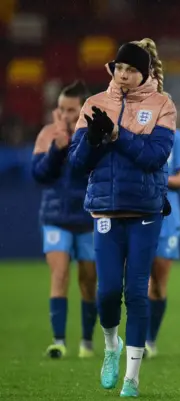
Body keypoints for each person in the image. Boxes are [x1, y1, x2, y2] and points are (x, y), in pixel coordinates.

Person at [69, 38, 175, 398]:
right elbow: (76, 164)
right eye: (120, 68)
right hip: (105, 210)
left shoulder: (162, 104)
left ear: (144, 73)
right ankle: (110, 345)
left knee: (137, 291)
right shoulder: (94, 104)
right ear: (112, 69)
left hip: (145, 209)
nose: (124, 75)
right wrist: (93, 139)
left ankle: (132, 376)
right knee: (109, 290)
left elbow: (155, 156)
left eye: (132, 69)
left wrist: (116, 135)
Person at [32, 80, 98, 359]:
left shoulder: (93, 135)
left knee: (88, 280)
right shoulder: (48, 135)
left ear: (83, 109)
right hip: (56, 217)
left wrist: (74, 143)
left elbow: (90, 170)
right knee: (59, 274)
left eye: (70, 109)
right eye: (60, 108)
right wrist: (57, 149)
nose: (64, 114)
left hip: (87, 217)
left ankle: (86, 342)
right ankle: (58, 341)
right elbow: (39, 175)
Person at [144, 128, 180, 358]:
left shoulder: (177, 137)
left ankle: (149, 339)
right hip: (135, 213)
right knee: (135, 282)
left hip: (167, 218)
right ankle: (134, 338)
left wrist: (158, 179)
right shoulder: (133, 132)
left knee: (157, 284)